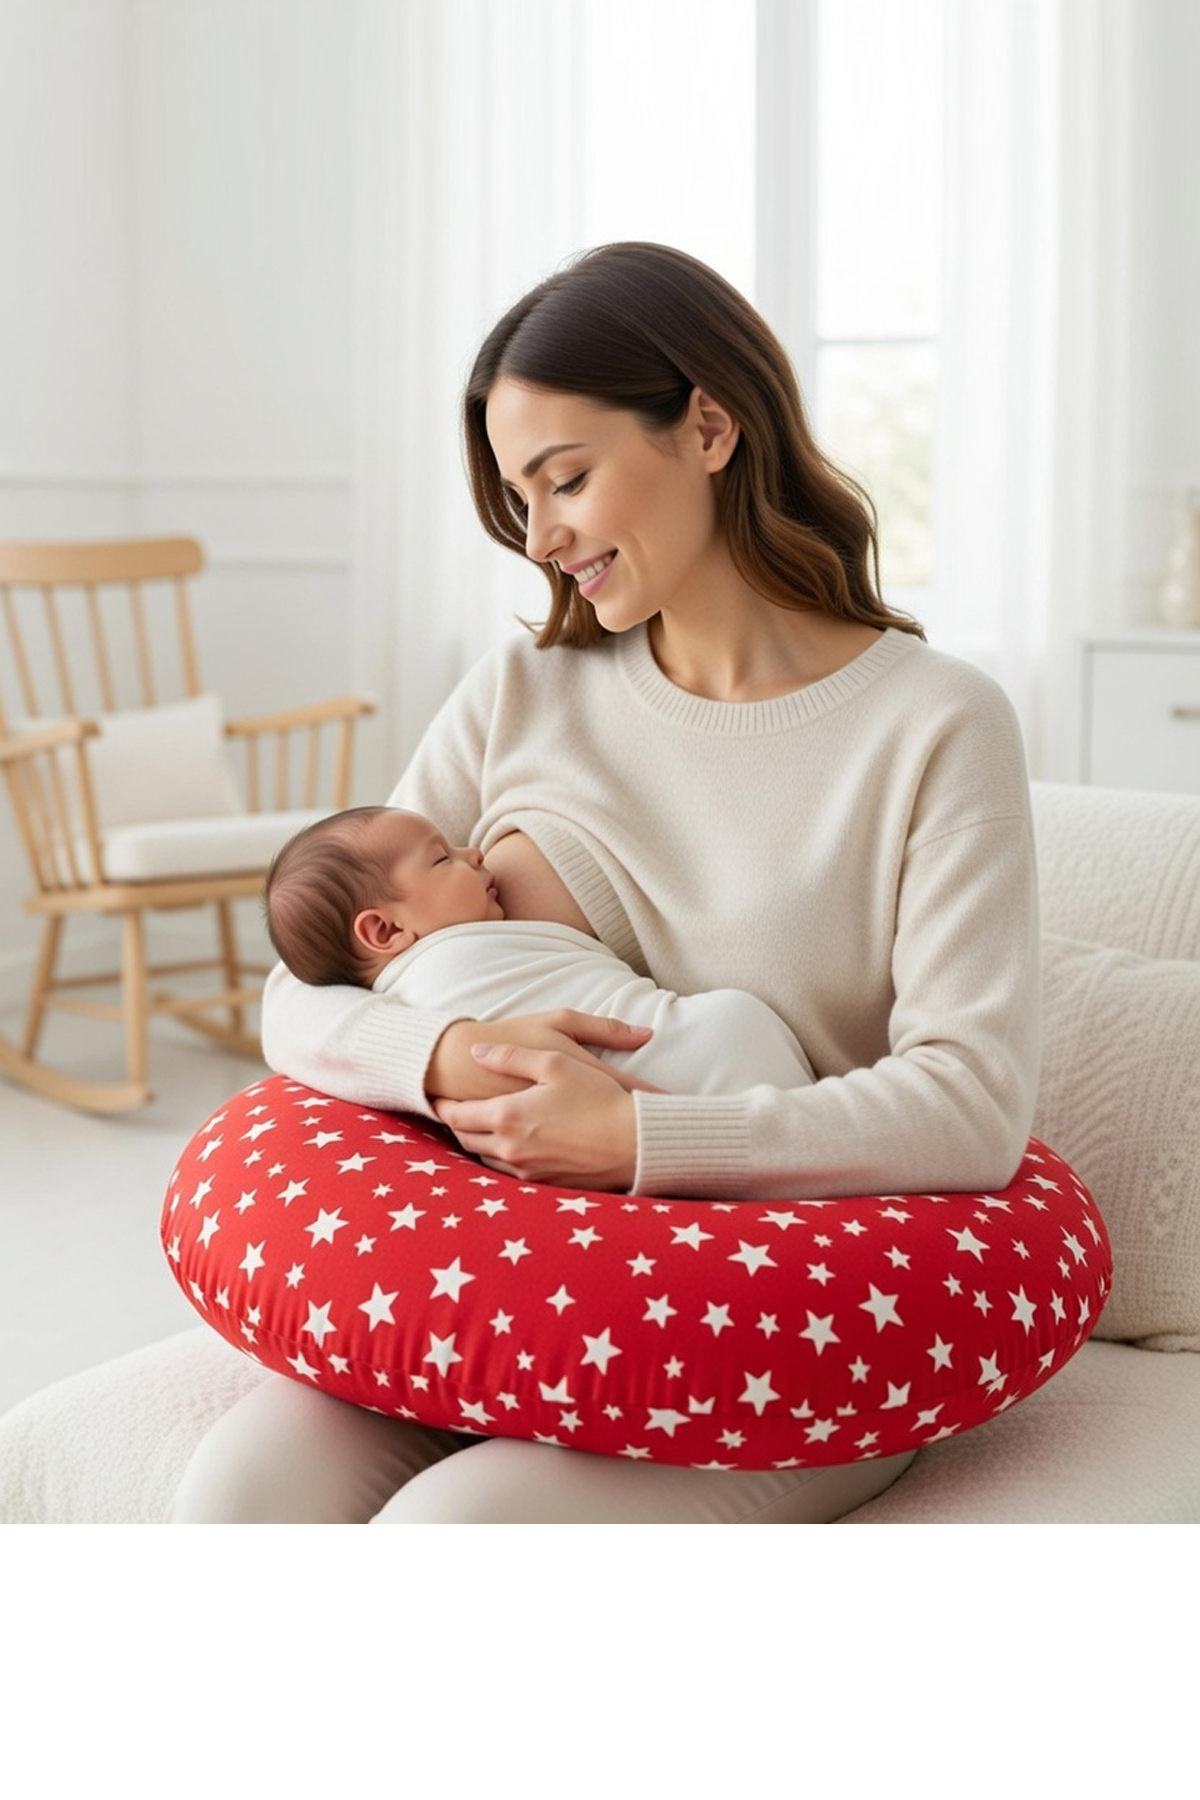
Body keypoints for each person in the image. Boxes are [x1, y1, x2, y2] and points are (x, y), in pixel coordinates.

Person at [171, 242, 1039, 1525]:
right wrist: (455, 1054)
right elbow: (302, 1001)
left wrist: (640, 1138)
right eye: (520, 499)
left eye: (566, 479)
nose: (543, 536)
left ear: (708, 424)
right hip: (532, 1290)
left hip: (774, 1321)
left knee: (456, 1535)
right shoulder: (520, 693)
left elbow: (974, 1104)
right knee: (233, 1501)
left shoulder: (936, 725)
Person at [262, 803, 816, 1094]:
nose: (474, 853)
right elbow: (289, 994)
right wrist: (448, 1054)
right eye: (442, 858)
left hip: (708, 1081)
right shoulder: (431, 979)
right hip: (702, 1049)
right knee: (735, 1021)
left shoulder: (408, 941)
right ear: (385, 932)